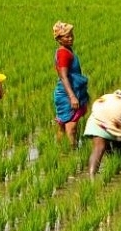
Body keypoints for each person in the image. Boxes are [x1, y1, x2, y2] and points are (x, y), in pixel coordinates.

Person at [83, 90, 121, 177]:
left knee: (98, 148)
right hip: (118, 116)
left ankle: (91, 178)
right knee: (119, 143)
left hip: (98, 115)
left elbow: (105, 135)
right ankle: (119, 162)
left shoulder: (107, 97)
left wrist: (109, 153)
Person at [52, 21, 89, 149]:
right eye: (66, 36)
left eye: (71, 35)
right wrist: (72, 96)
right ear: (59, 39)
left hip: (67, 92)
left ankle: (61, 152)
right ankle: (71, 154)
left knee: (63, 127)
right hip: (68, 93)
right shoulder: (63, 53)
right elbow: (63, 76)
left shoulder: (67, 50)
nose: (70, 38)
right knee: (71, 128)